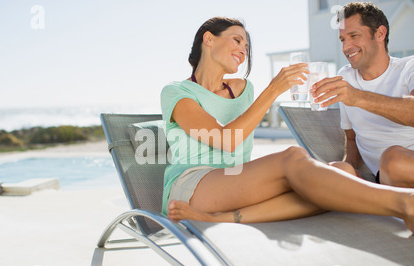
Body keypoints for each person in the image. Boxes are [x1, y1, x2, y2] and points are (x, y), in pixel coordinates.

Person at [160, 17, 414, 232]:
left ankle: (223, 218)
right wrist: (274, 89)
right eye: (237, 40)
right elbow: (226, 140)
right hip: (193, 187)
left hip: (238, 186)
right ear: (209, 39)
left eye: (247, 46)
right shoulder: (176, 91)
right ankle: (404, 202)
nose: (243, 50)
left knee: (342, 173)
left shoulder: (243, 89)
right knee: (292, 156)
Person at [311, 2, 414, 188]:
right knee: (331, 172)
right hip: (380, 180)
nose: (346, 47)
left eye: (354, 36)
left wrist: (357, 97)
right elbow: (352, 138)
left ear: (380, 34)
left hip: (405, 166)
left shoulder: (409, 67)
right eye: (342, 39)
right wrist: (348, 169)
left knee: (393, 160)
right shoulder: (346, 77)